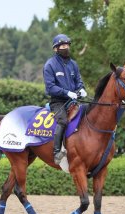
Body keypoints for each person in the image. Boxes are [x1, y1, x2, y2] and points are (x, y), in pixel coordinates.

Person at [43, 34, 87, 165]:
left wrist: (81, 89)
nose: (66, 48)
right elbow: (50, 87)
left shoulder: (73, 64)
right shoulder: (50, 65)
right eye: (62, 46)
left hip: (74, 101)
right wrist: (67, 92)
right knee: (62, 121)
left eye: (67, 45)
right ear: (56, 49)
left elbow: (78, 81)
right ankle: (56, 152)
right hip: (58, 102)